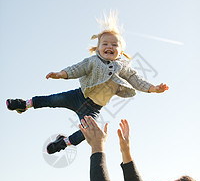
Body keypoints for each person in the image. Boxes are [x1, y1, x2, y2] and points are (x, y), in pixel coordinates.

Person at [6, 11, 168, 154]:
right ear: (98, 48)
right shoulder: (93, 61)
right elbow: (77, 69)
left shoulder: (123, 67)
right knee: (52, 99)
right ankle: (24, 104)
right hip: (78, 96)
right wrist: (61, 74)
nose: (109, 47)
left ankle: (63, 143)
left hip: (94, 107)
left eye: (114, 44)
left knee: (90, 131)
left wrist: (153, 88)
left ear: (121, 51)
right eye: (105, 44)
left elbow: (136, 80)